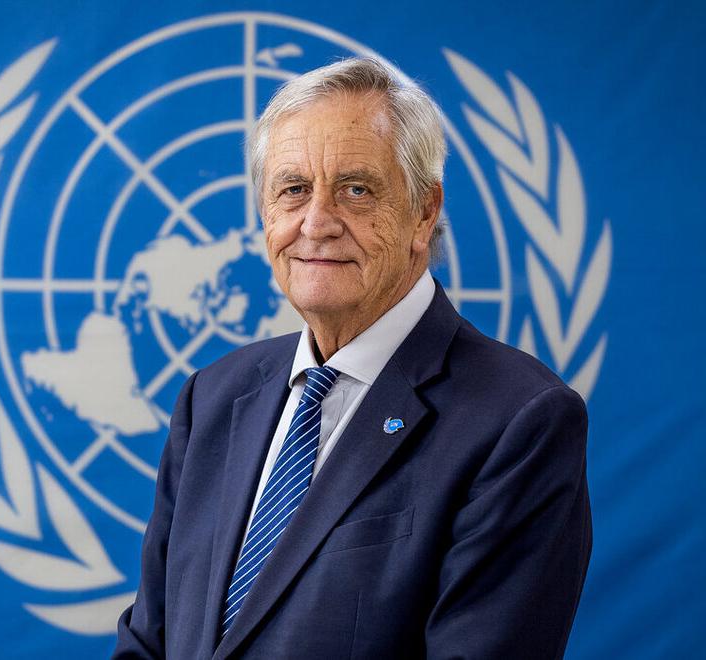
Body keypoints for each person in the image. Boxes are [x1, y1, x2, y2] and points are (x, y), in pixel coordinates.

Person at [113, 57, 592, 659]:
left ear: (424, 212)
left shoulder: (519, 421)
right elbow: (148, 643)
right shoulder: (211, 397)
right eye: (293, 190)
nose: (316, 223)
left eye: (356, 190)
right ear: (265, 211)